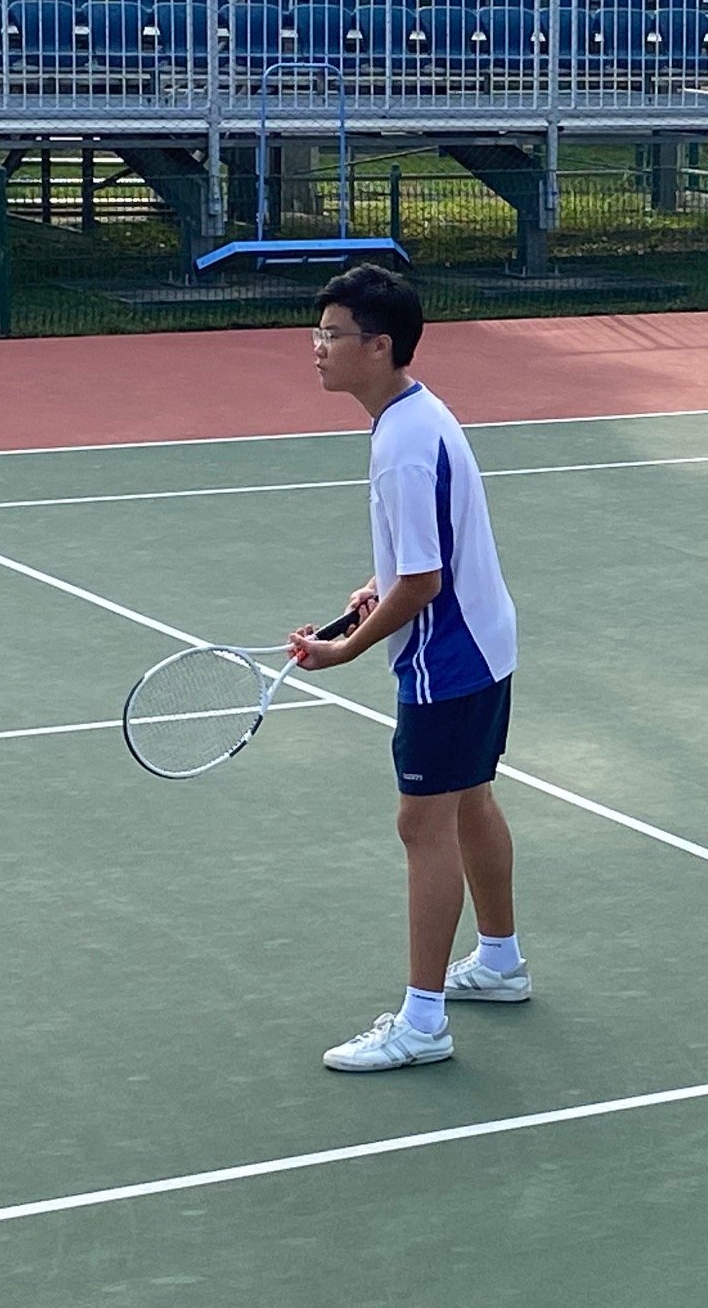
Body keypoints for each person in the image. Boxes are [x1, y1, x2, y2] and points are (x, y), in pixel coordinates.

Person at [289, 264, 530, 1073]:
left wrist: (344, 649)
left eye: (331, 335)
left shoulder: (399, 441)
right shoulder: (416, 415)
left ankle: (422, 1022)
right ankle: (499, 961)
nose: (317, 348)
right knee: (470, 804)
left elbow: (425, 583)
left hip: (450, 657)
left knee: (421, 824)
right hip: (488, 641)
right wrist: (377, 585)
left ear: (378, 345)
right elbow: (422, 556)